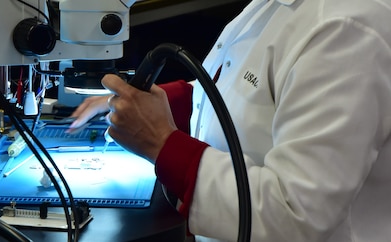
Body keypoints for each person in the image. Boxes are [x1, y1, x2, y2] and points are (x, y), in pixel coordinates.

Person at [69, 0, 391, 241]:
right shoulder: (272, 6)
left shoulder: (346, 24)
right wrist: (157, 102)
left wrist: (160, 142)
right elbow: (244, 87)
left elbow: (294, 215)